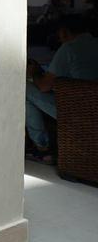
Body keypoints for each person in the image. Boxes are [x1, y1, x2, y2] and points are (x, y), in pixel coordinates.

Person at [26, 14, 98, 162]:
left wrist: (34, 74)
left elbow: (44, 86)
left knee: (25, 89)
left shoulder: (69, 48)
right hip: (92, 107)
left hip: (77, 112)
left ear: (64, 32)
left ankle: (42, 146)